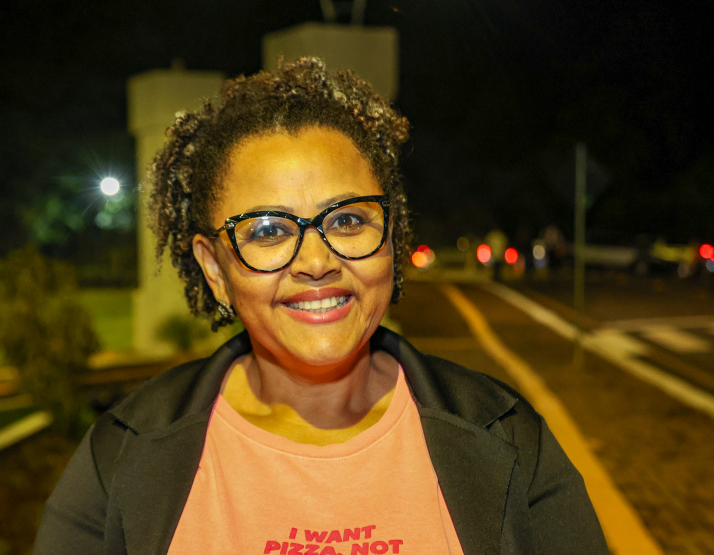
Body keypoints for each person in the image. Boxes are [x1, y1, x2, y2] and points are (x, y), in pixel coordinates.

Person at [33, 58, 608, 554]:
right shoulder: (125, 456)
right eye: (266, 230)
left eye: (348, 220)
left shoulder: (507, 441)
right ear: (215, 269)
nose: (315, 260)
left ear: (393, 237)